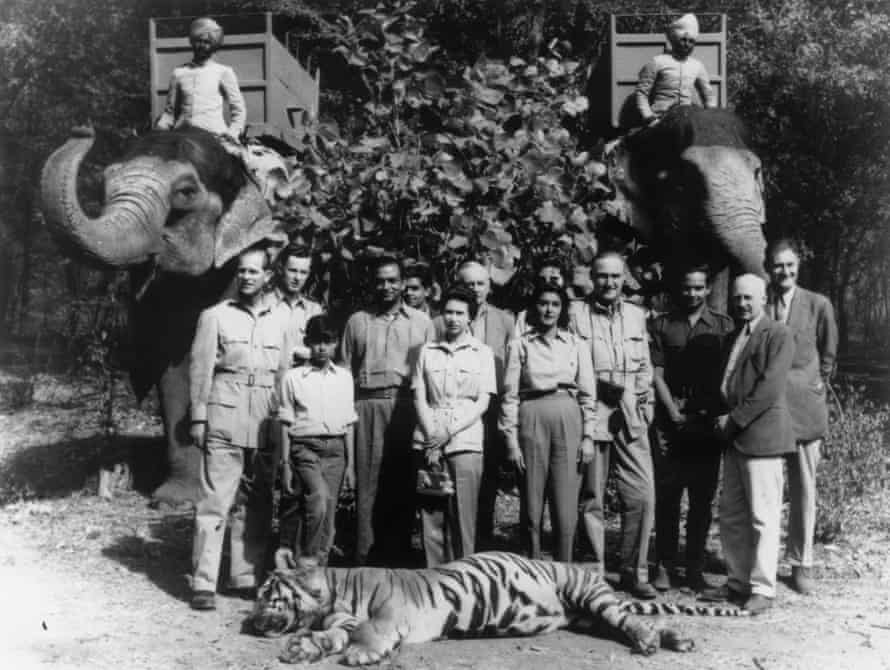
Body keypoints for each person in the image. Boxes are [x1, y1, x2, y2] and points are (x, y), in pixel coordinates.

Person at [188, 244, 290, 611]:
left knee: (257, 501)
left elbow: (284, 376)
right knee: (215, 500)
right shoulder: (215, 316)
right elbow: (201, 370)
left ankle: (244, 575)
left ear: (268, 276)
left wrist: (283, 423)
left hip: (264, 418)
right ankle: (203, 583)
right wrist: (199, 417)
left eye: (254, 271)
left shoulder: (282, 319)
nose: (247, 277)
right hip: (224, 415)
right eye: (242, 271)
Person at [700, 274, 795, 615]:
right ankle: (737, 581)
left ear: (763, 298)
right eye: (738, 298)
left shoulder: (778, 335)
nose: (741, 304)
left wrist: (734, 420)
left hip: (762, 438)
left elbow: (768, 389)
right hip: (735, 440)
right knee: (732, 515)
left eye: (748, 298)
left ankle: (763, 588)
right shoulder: (733, 336)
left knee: (763, 517)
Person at [569, 251, 657, 599]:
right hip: (592, 409)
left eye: (616, 277)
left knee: (642, 493)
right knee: (592, 495)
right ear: (593, 278)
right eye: (602, 276)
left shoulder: (636, 315)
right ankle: (594, 574)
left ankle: (634, 571)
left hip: (629, 410)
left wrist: (645, 402)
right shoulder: (576, 313)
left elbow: (645, 365)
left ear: (625, 279)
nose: (609, 283)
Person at [341, 256, 436, 565]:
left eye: (393, 280)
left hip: (407, 406)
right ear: (373, 283)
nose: (386, 286)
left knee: (404, 482)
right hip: (367, 404)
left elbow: (433, 374)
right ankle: (365, 559)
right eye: (380, 280)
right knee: (367, 483)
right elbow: (344, 374)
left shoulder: (422, 323)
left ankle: (400, 557)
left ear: (402, 282)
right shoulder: (358, 321)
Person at [648, 266, 734, 592]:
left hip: (706, 424)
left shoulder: (724, 326)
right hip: (670, 421)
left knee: (701, 499)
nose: (692, 294)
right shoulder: (662, 324)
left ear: (708, 289)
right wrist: (672, 411)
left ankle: (694, 566)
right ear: (679, 289)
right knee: (668, 497)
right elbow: (656, 372)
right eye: (687, 287)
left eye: (699, 288)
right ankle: (665, 565)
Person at [501, 282, 596, 561]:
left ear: (562, 309)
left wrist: (588, 436)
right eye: (543, 303)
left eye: (555, 304)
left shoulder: (577, 345)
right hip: (531, 416)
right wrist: (510, 440)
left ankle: (563, 571)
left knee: (566, 508)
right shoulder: (519, 345)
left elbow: (588, 395)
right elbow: (509, 395)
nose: (549, 310)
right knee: (531, 506)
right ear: (534, 308)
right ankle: (532, 570)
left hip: (568, 416)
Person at [767, 240, 838, 595]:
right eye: (778, 266)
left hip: (805, 409)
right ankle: (760, 564)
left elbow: (829, 352)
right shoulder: (762, 303)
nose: (785, 272)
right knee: (767, 488)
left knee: (804, 488)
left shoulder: (817, 304)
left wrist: (818, 381)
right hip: (769, 411)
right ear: (770, 268)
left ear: (799, 266)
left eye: (790, 265)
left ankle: (801, 563)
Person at [412, 286, 496, 566]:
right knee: (432, 515)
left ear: (470, 317)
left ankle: (463, 579)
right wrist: (432, 436)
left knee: (463, 516)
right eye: (448, 312)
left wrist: (449, 432)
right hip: (429, 440)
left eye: (460, 313)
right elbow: (420, 397)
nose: (453, 318)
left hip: (465, 442)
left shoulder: (482, 353)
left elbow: (482, 401)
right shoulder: (427, 351)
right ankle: (434, 581)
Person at [440, 260, 515, 549]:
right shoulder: (446, 319)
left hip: (492, 407)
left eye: (480, 283)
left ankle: (483, 542)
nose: (475, 289)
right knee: (455, 477)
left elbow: (511, 368)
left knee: (488, 477)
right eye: (468, 283)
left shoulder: (505, 321)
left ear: (490, 286)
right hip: (456, 409)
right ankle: (453, 545)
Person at [276, 315, 357, 568]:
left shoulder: (344, 377)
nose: (322, 348)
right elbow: (286, 421)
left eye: (328, 342)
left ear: (336, 344)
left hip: (336, 451)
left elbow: (348, 423)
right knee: (317, 502)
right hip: (305, 448)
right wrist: (286, 463)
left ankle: (316, 573)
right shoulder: (294, 377)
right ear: (307, 343)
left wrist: (351, 465)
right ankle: (306, 562)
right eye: (316, 342)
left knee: (328, 514)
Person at [156, 17, 246, 142]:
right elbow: (169, 113)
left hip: (215, 137)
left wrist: (232, 132)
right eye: (198, 41)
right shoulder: (179, 73)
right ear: (192, 42)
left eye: (207, 42)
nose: (202, 45)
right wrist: (160, 130)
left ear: (214, 45)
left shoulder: (223, 72)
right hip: (182, 136)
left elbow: (238, 110)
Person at [635, 13, 717, 126]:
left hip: (687, 119)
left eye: (691, 41)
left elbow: (708, 95)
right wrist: (649, 118)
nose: (687, 44)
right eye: (683, 40)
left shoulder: (697, 66)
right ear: (674, 40)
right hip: (660, 119)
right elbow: (641, 93)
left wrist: (711, 118)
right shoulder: (657, 62)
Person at [270, 244, 324, 365]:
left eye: (303, 272)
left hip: (302, 380)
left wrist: (310, 353)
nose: (297, 278)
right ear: (280, 269)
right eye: (292, 270)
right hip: (268, 380)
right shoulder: (263, 304)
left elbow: (323, 350)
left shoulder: (314, 310)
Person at [513, 257, 568, 336]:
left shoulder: (577, 311)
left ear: (564, 280)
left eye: (554, 279)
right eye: (542, 280)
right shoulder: (525, 315)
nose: (547, 283)